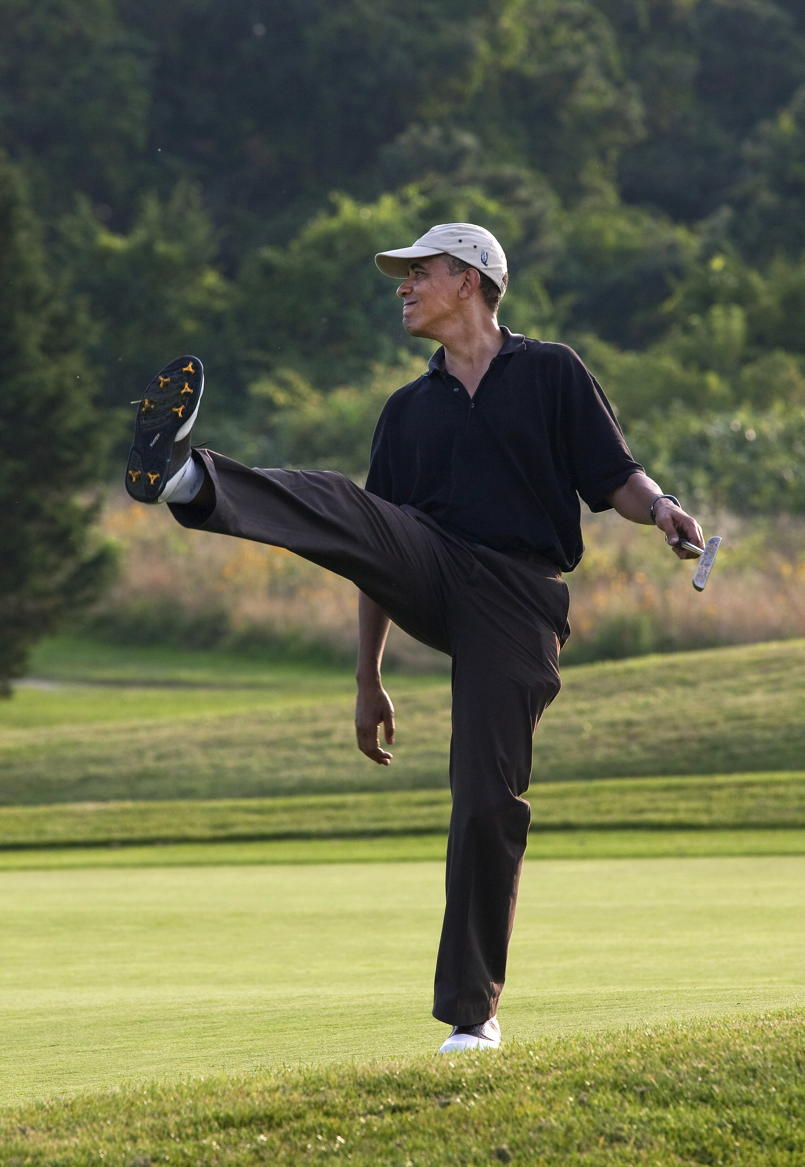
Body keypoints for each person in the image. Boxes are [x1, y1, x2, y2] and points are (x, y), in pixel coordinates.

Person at [125, 223, 705, 1054]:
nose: (402, 286)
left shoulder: (551, 371)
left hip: (518, 599)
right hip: (432, 566)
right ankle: (188, 478)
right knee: (344, 503)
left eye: (417, 273)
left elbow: (613, 475)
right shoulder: (407, 409)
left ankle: (475, 1015)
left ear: (469, 280)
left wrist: (660, 511)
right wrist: (368, 675)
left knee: (485, 798)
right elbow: (368, 546)